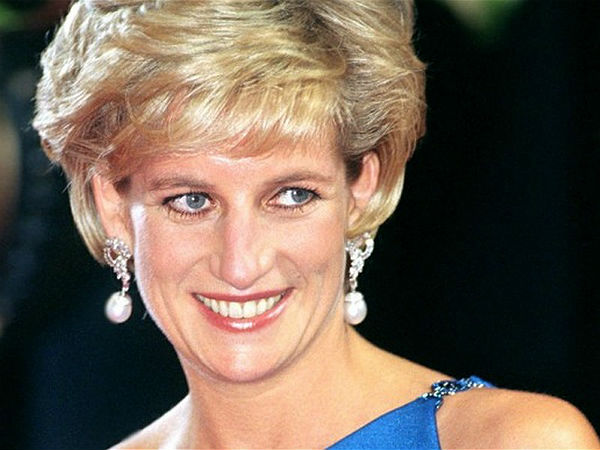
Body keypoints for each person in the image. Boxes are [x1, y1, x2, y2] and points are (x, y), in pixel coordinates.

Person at [33, 1, 599, 448]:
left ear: (361, 189)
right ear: (112, 204)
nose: (241, 263)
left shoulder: (507, 440)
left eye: (291, 196)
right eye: (191, 201)